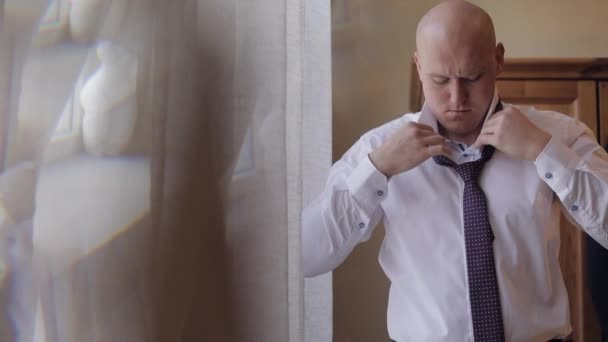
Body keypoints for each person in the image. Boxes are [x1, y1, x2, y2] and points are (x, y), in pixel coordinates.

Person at [301, 1, 608, 341]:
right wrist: (377, 170)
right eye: (440, 80)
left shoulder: (558, 135)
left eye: (471, 77)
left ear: (498, 59)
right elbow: (307, 254)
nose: (456, 97)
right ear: (418, 66)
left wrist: (545, 153)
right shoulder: (377, 148)